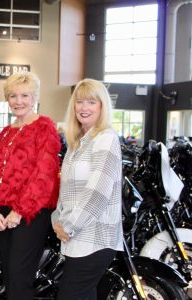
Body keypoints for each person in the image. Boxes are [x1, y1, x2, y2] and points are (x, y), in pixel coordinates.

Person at [0, 72, 61, 300]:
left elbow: (44, 176)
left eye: (24, 95)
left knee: (19, 277)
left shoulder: (44, 128)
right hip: (4, 213)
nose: (18, 101)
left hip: (30, 213)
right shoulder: (6, 133)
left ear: (34, 96)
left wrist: (20, 210)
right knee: (9, 276)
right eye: (13, 96)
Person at [52, 78, 123, 300]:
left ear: (102, 106)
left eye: (91, 102)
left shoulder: (106, 138)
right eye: (80, 102)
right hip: (76, 238)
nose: (84, 108)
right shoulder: (78, 142)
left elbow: (98, 191)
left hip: (94, 238)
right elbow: (67, 189)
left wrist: (69, 225)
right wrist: (58, 218)